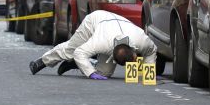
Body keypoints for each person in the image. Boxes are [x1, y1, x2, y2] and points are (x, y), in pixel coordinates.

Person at [29, 10, 157, 79]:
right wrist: (90, 72)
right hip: (94, 21)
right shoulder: (101, 43)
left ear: (134, 51)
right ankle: (42, 61)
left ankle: (78, 64)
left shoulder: (141, 40)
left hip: (117, 23)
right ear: (111, 56)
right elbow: (79, 52)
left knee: (105, 73)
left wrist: (148, 73)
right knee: (70, 50)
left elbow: (152, 50)